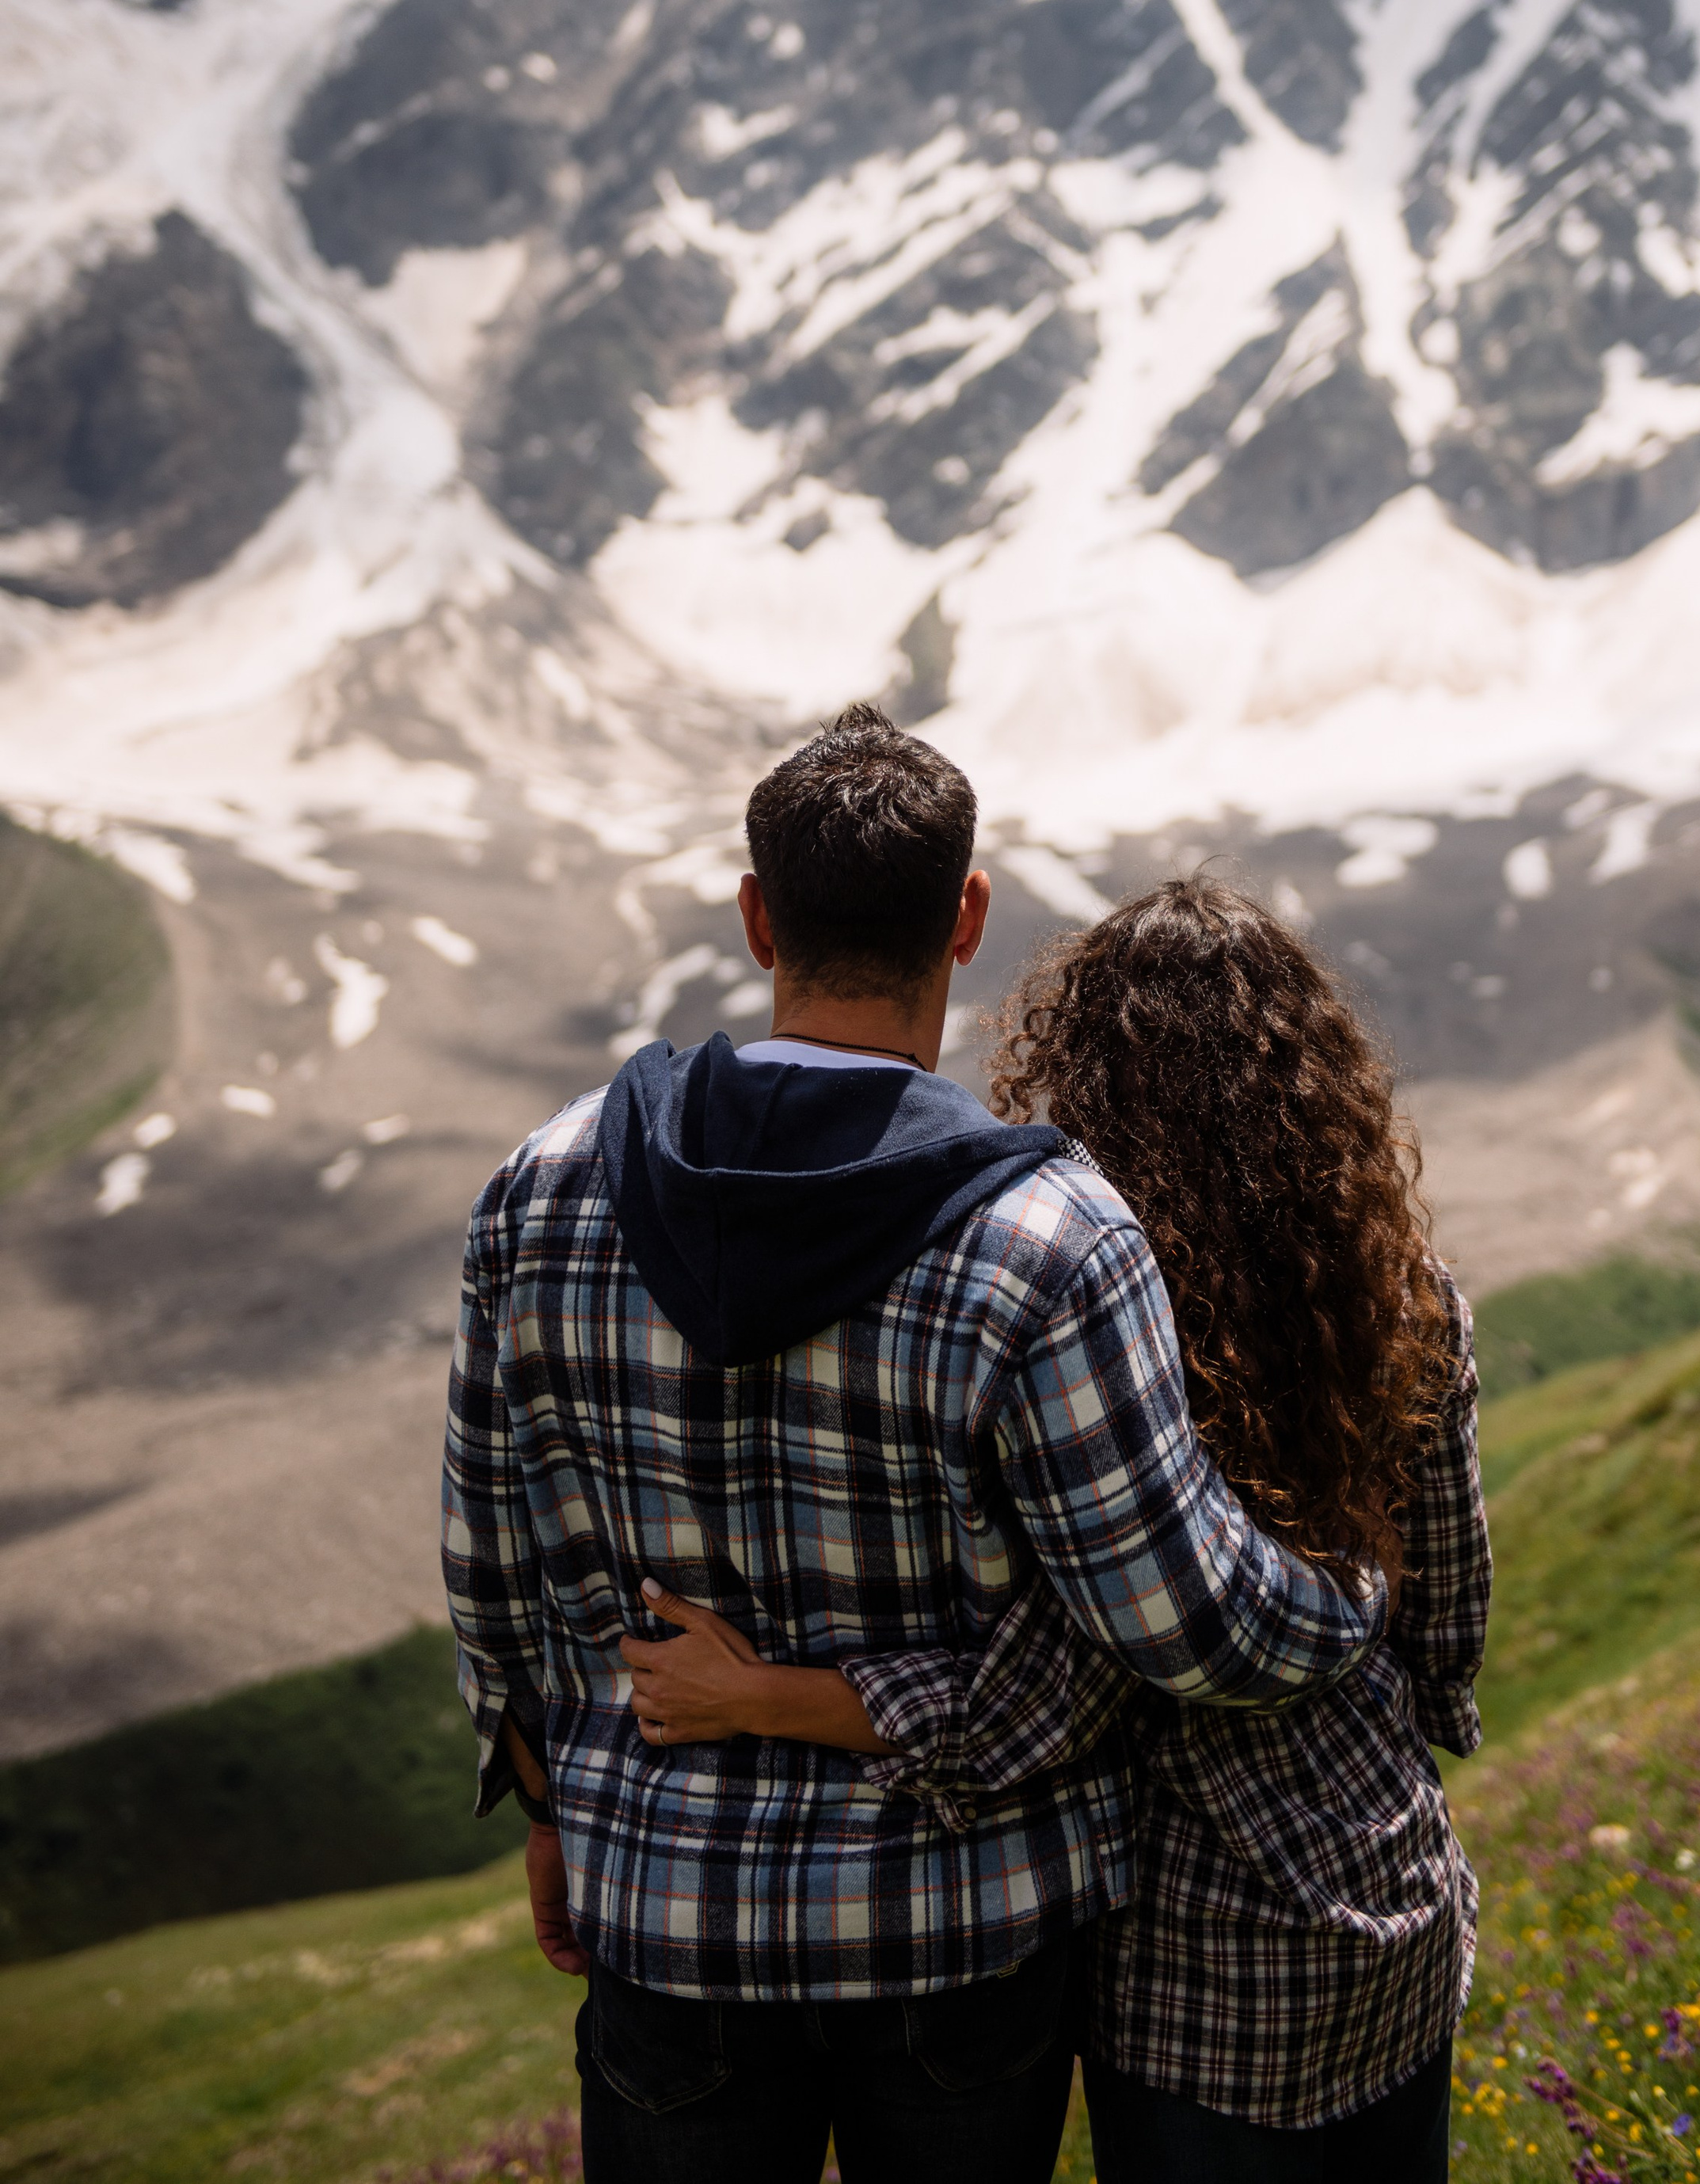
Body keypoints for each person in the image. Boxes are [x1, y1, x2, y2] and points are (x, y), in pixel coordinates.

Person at [442, 713, 1387, 2184]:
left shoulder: (544, 1185)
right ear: (967, 917)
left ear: (759, 917)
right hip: (963, 1929)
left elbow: (495, 1562)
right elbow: (1183, 1627)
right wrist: (1355, 1594)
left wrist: (558, 1806)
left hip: (667, 1907)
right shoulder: (1052, 1238)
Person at [623, 875, 1489, 2182]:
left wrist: (758, 1697)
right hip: (1398, 1878)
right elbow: (1452, 1596)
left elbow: (1040, 1702)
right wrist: (1399, 1698)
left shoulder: (1115, 1340)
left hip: (1198, 1954)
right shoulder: (1401, 1288)